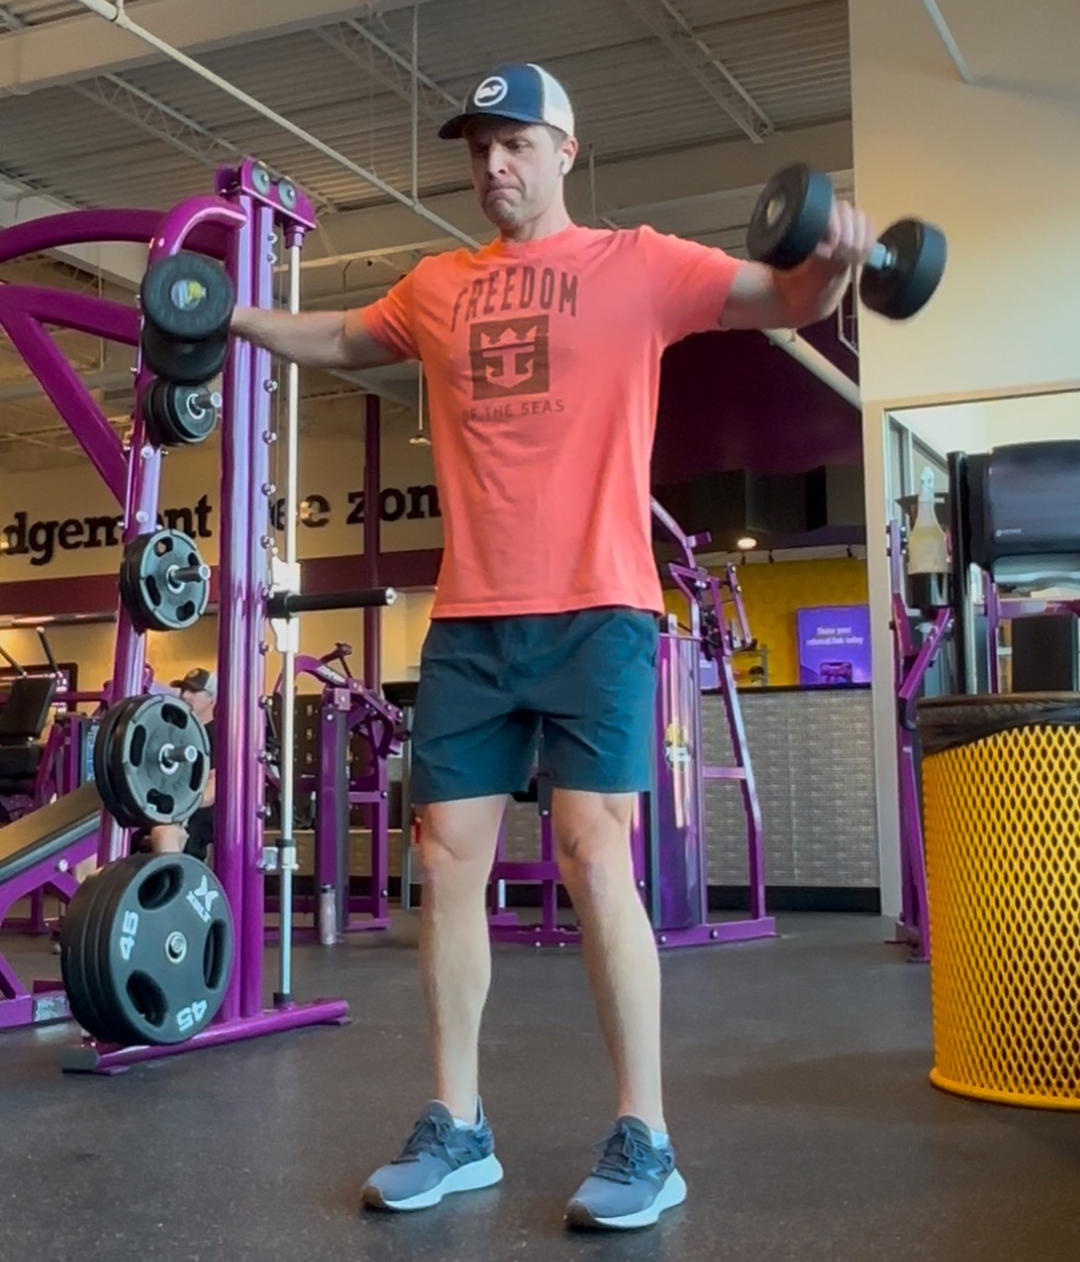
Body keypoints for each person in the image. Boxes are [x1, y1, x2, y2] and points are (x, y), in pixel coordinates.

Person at [229, 62, 877, 1230]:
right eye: (479, 148)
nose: (493, 166)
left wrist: (831, 260)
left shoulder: (640, 264)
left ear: (566, 150)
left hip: (600, 607)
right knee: (445, 862)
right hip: (471, 616)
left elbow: (781, 296)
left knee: (593, 851)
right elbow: (335, 335)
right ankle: (456, 1123)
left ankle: (646, 1137)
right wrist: (222, 314)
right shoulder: (437, 285)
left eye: (515, 144)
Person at [147, 668, 217, 860]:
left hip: (196, 815)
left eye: (194, 691)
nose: (185, 695)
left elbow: (211, 791)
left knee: (163, 833)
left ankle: (173, 878)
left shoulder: (219, 734)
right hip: (167, 808)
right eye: (183, 690)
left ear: (211, 698)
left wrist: (177, 811)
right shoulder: (175, 733)